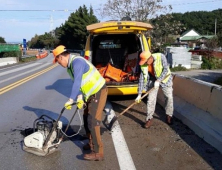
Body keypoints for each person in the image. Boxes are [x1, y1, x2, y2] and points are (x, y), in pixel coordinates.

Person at [52, 45, 108, 161]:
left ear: (61, 57)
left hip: (98, 90)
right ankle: (91, 143)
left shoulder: (77, 62)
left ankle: (98, 152)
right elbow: (80, 84)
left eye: (57, 61)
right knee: (86, 116)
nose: (58, 64)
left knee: (93, 120)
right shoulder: (70, 67)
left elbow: (77, 81)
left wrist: (71, 99)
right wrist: (79, 97)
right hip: (89, 94)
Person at [135, 50, 174, 128]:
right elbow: (142, 79)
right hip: (152, 80)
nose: (145, 63)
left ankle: (169, 115)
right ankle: (149, 118)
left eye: (145, 61)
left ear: (150, 58)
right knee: (150, 100)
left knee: (169, 97)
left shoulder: (161, 56)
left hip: (165, 79)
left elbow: (165, 69)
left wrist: (159, 80)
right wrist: (139, 94)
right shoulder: (143, 65)